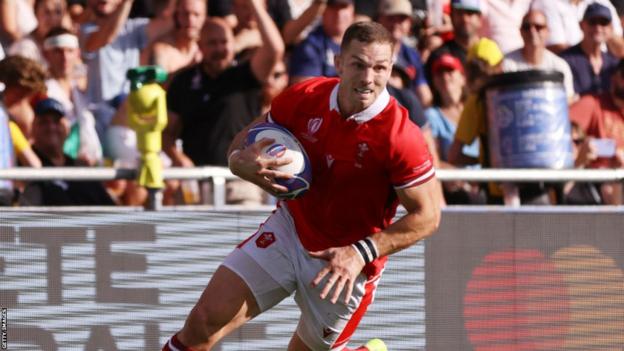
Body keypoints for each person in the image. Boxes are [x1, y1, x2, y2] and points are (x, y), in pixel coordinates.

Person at [162, 21, 441, 351]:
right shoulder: (305, 97)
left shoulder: (400, 136)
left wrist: (358, 253)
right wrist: (242, 163)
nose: (368, 78)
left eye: (379, 68)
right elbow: (241, 146)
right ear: (338, 63)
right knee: (203, 321)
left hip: (346, 264)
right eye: (358, 65)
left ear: (390, 68)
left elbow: (429, 216)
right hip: (289, 229)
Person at [164, 0, 284, 205]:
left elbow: (275, 48)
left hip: (243, 181)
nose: (220, 48)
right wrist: (177, 158)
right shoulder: (183, 81)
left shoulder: (246, 73)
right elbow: (167, 134)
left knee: (248, 235)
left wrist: (255, 6)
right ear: (200, 46)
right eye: (212, 43)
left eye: (224, 42)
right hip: (198, 183)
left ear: (233, 42)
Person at [18, 97, 116, 206]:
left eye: (56, 121)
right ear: (32, 128)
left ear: (67, 128)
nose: (51, 127)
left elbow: (108, 206)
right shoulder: (24, 164)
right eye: (43, 122)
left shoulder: (82, 169)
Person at [426, 53, 484, 204]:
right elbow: (432, 158)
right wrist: (458, 175)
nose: (445, 76)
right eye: (440, 73)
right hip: (458, 189)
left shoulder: (477, 108)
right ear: (434, 81)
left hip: (486, 181)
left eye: (450, 71)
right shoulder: (432, 116)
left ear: (462, 78)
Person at [42, 27, 102, 166]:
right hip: (60, 165)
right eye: (57, 51)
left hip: (93, 164)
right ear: (45, 54)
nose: (65, 57)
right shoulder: (42, 90)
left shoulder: (81, 89)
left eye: (70, 51)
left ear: (78, 54)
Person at [568, 59, 624, 204]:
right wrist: (581, 155)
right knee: (608, 188)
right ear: (614, 77)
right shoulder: (592, 103)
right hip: (597, 181)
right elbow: (560, 134)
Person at [501, 9, 576, 102]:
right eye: (526, 27)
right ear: (520, 31)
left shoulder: (560, 66)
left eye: (538, 27)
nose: (532, 31)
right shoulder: (506, 64)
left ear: (548, 32)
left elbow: (568, 100)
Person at [377, 0, 432, 106]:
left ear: (409, 23)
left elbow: (425, 96)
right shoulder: (370, 50)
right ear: (380, 20)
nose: (396, 24)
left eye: (402, 19)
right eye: (391, 18)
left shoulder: (412, 55)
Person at [560, 3, 619, 97]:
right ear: (581, 25)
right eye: (592, 22)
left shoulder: (615, 63)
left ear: (611, 28)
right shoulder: (565, 60)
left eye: (603, 22)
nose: (598, 28)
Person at [288, 0, 354, 84]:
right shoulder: (310, 46)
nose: (338, 14)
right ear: (322, 11)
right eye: (333, 8)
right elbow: (306, 91)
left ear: (352, 11)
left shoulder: (359, 44)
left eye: (343, 7)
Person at [141, 0, 206, 75]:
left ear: (204, 17)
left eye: (196, 14)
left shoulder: (207, 47)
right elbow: (156, 85)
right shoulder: (162, 51)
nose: (190, 20)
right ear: (177, 15)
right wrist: (186, 69)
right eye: (185, 14)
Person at [425, 0, 482, 83]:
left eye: (470, 13)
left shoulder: (491, 52)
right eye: (459, 13)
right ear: (451, 17)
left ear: (479, 18)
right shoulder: (439, 56)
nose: (465, 19)